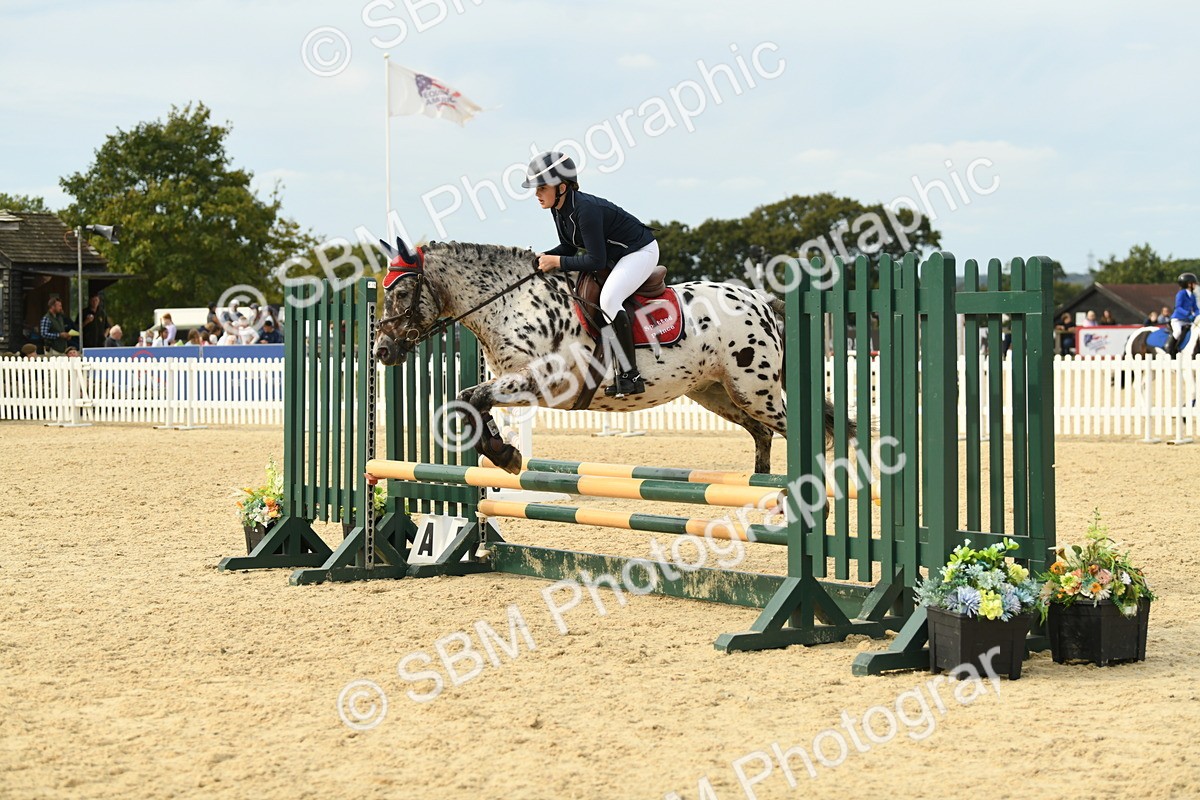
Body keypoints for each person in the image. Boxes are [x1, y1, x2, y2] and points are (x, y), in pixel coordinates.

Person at [524, 150, 657, 396]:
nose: (536, 194)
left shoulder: (586, 210)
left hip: (640, 251)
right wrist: (542, 257)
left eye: (542, 188)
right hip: (617, 256)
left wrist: (558, 262)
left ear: (561, 187)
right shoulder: (559, 209)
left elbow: (596, 259)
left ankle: (631, 375)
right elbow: (569, 247)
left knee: (609, 299)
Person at [1166, 272, 1198, 356]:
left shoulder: (1192, 295)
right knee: (1177, 332)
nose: (1195, 285)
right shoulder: (1181, 294)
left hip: (1187, 320)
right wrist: (1188, 314)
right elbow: (1178, 307)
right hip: (1178, 319)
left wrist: (1197, 315)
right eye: (1194, 283)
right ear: (1188, 284)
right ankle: (1170, 348)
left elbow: (1196, 308)